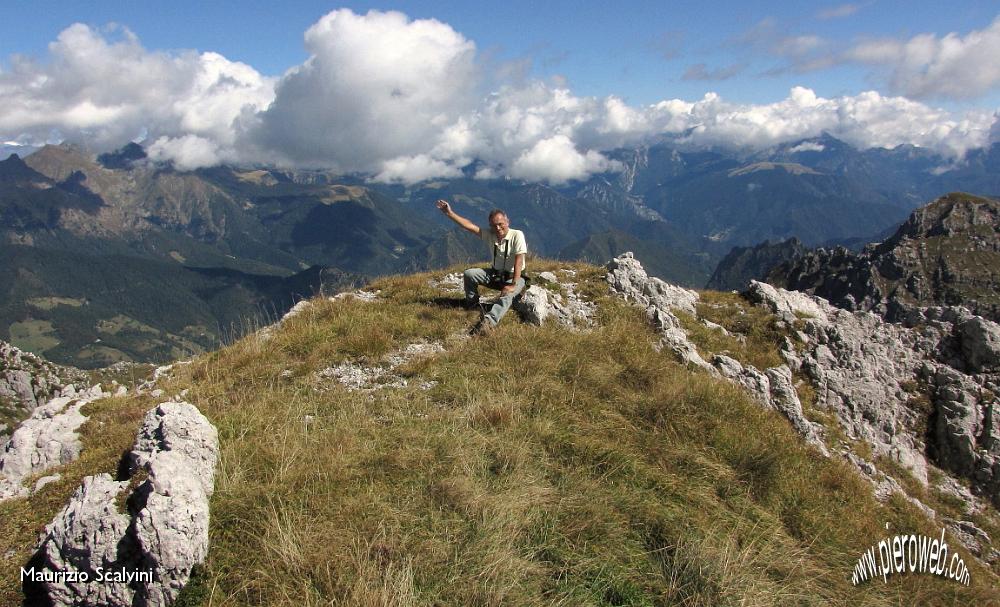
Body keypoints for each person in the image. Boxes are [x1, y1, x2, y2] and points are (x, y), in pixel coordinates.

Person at [435, 199, 527, 335]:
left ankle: (488, 322)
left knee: (507, 294)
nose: (498, 228)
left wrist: (513, 284)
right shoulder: (491, 235)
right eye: (494, 225)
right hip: (496, 275)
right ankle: (472, 305)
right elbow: (469, 226)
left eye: (501, 224)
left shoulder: (517, 235)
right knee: (470, 274)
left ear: (507, 222)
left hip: (515, 277)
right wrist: (449, 213)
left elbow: (519, 260)